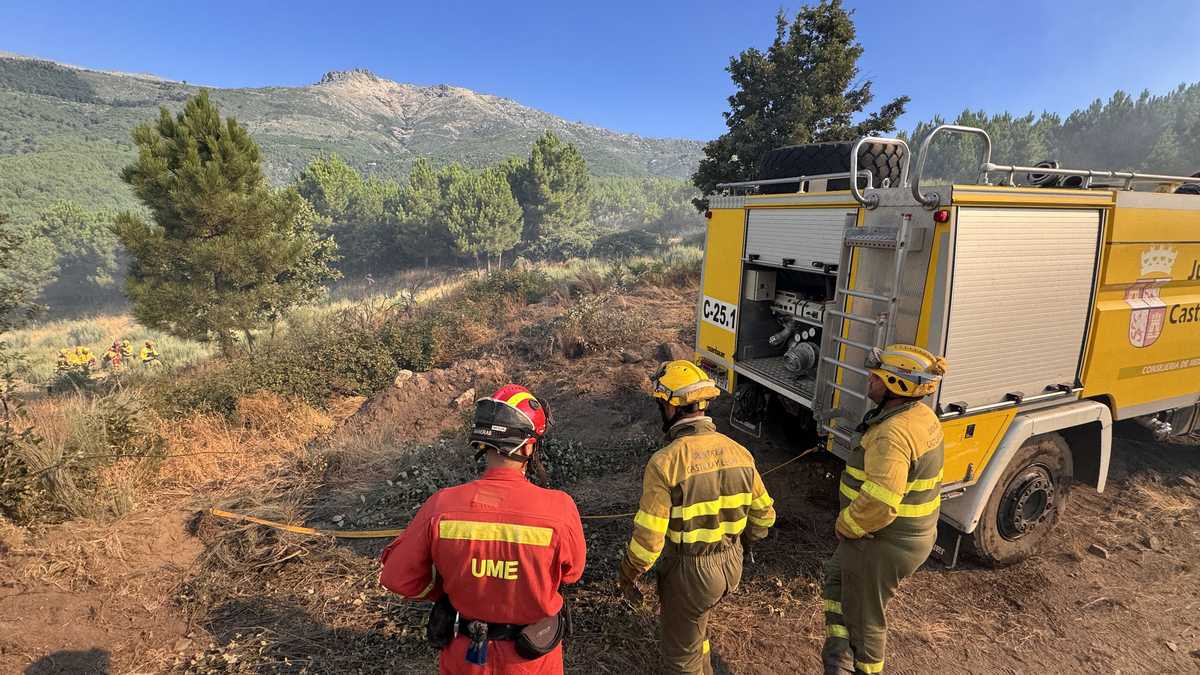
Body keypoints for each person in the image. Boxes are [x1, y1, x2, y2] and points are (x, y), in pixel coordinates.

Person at [380, 384, 586, 674]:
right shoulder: (559, 509)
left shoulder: (442, 505)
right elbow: (572, 572)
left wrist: (449, 590)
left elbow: (396, 577)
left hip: (464, 655)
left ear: (483, 442)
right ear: (528, 446)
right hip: (531, 659)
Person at [618, 360, 776, 675]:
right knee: (696, 629)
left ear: (671, 408)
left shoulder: (665, 463)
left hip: (690, 573)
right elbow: (764, 515)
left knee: (680, 660)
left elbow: (649, 541)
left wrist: (628, 573)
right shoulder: (739, 452)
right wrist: (744, 544)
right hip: (731, 565)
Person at [820, 344, 948, 675]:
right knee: (836, 578)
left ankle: (862, 666)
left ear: (896, 384)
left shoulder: (892, 435)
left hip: (881, 541)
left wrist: (847, 524)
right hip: (903, 537)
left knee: (866, 621)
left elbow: (880, 502)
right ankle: (838, 656)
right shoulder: (920, 415)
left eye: (876, 377)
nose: (869, 381)